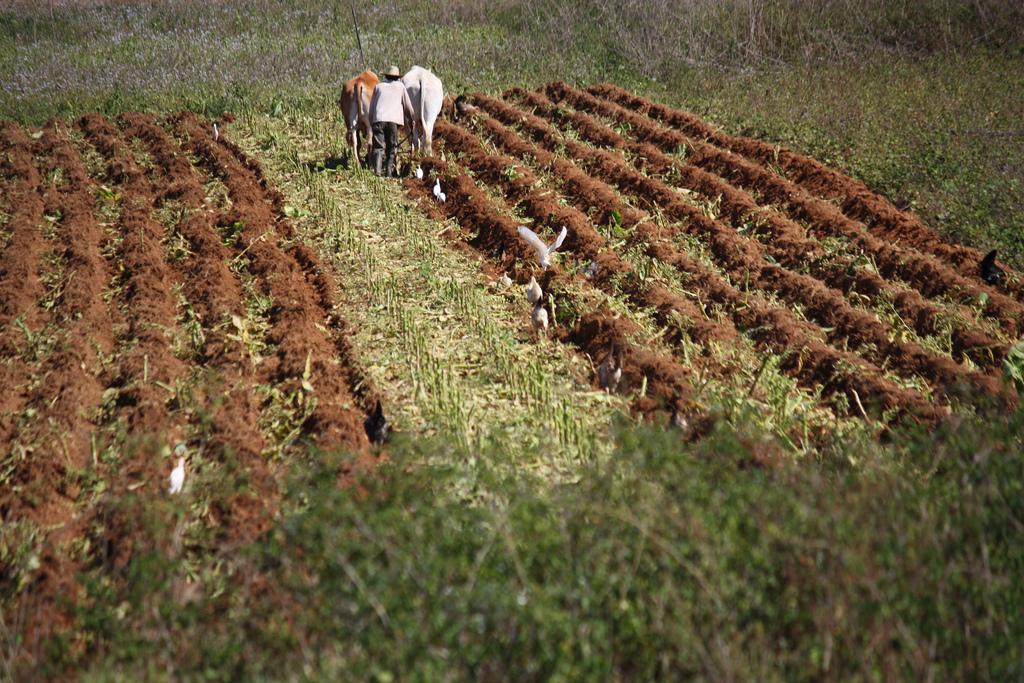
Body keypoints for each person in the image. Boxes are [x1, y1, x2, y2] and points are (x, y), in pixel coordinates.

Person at [368, 66, 415, 177]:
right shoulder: (400, 86)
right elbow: (407, 106)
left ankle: (377, 171)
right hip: (393, 121)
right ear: (397, 77)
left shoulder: (378, 87)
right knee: (391, 148)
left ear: (386, 76)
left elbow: (372, 107)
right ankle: (388, 174)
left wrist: (371, 122)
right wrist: (411, 119)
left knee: (378, 147)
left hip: (378, 120)